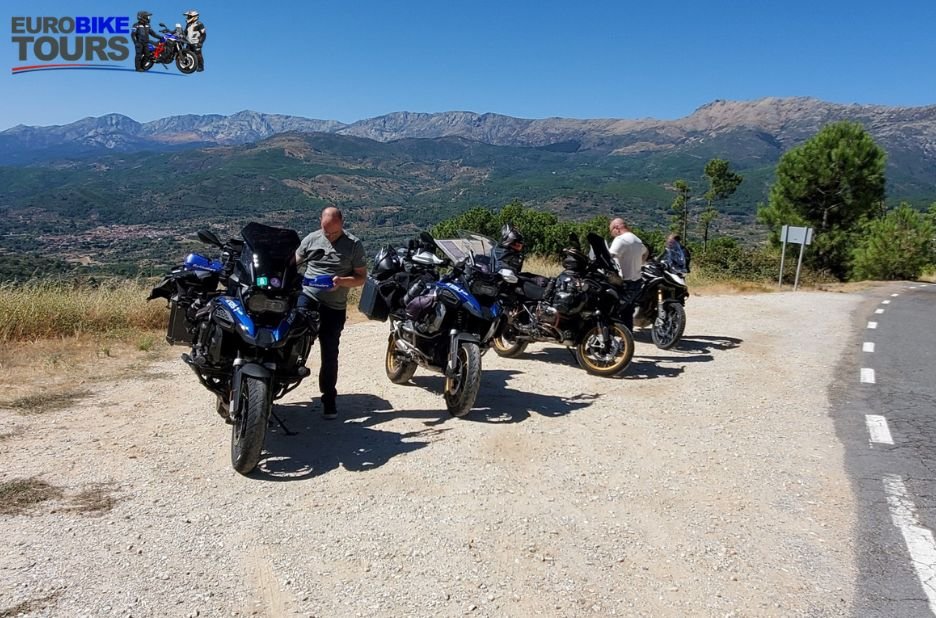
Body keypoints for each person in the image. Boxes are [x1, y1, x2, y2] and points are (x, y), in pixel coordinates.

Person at [295, 206, 366, 419]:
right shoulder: (311, 239)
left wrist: (342, 281)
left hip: (334, 306)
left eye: (333, 232)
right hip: (308, 296)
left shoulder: (354, 245)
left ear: (341, 223)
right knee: (291, 336)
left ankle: (329, 399)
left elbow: (361, 278)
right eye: (326, 231)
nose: (329, 236)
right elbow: (294, 261)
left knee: (329, 352)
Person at [608, 217, 647, 331]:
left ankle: (612, 333)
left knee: (612, 309)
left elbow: (611, 257)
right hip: (637, 282)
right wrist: (640, 263)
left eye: (611, 231)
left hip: (623, 282)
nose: (612, 235)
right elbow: (646, 252)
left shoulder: (620, 239)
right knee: (628, 311)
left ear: (616, 228)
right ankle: (627, 335)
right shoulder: (637, 240)